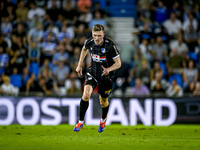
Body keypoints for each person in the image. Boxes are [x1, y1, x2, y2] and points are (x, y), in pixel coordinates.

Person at [74, 24, 121, 133]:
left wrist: (109, 69)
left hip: (106, 76)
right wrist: (80, 64)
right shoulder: (89, 42)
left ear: (103, 35)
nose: (97, 38)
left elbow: (118, 63)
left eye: (99, 35)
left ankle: (103, 120)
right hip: (93, 72)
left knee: (103, 102)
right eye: (95, 35)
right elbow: (84, 49)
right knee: (86, 95)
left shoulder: (110, 45)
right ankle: (80, 122)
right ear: (92, 34)